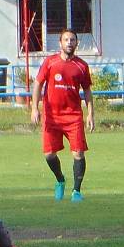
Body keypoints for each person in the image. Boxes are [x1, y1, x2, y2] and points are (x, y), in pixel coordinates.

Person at [31, 30, 95, 202]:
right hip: (52, 116)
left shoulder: (81, 66)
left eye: (72, 40)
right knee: (49, 154)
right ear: (60, 43)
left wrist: (90, 114)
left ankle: (76, 191)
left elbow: (87, 90)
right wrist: (34, 108)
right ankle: (60, 180)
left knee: (79, 153)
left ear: (76, 43)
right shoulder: (50, 62)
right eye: (66, 40)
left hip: (73, 116)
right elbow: (38, 84)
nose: (69, 43)